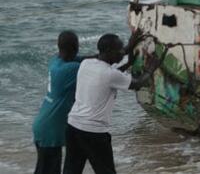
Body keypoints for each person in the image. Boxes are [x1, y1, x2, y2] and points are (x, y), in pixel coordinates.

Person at [64, 31, 161, 174]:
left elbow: (111, 76)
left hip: (73, 126)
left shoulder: (86, 64)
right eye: (120, 49)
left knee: (71, 170)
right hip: (94, 132)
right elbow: (138, 83)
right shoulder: (110, 74)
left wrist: (129, 58)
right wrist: (152, 67)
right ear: (109, 51)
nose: (123, 52)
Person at [32, 32, 92, 174]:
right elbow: (97, 66)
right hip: (50, 130)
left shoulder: (56, 61)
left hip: (44, 125)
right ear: (74, 47)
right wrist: (126, 51)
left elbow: (85, 59)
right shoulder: (70, 69)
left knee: (45, 168)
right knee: (49, 170)